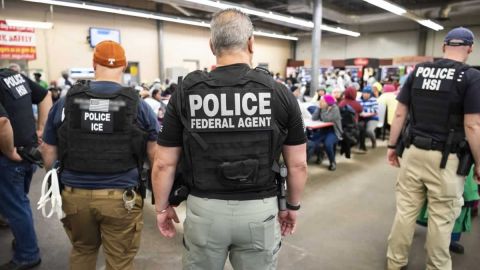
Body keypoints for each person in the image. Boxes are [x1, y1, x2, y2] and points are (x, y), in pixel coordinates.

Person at [152, 9, 307, 270]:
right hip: (261, 211)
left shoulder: (185, 94)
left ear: (212, 46)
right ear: (251, 43)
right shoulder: (280, 93)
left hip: (204, 211)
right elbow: (298, 165)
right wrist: (291, 206)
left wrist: (161, 207)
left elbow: (163, 164)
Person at [40, 40, 159, 270]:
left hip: (74, 196)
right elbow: (156, 153)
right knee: (120, 261)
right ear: (123, 66)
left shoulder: (66, 102)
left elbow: (47, 148)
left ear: (94, 64)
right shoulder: (138, 105)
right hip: (121, 198)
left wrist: (55, 180)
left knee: (83, 250)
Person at [386, 27, 480, 270]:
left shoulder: (419, 71)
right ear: (470, 48)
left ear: (443, 46)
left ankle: (395, 262)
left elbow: (399, 113)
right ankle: (437, 267)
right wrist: (479, 163)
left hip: (413, 152)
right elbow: (472, 125)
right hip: (447, 161)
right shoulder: (471, 77)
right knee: (442, 217)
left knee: (405, 211)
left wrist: (391, 146)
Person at [0, 62, 52, 269]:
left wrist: (9, 151)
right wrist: (41, 128)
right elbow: (45, 95)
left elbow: (2, 123)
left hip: (10, 158)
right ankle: (23, 239)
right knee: (18, 202)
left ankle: (27, 254)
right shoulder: (13, 76)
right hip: (29, 152)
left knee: (16, 206)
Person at [308, 95, 343, 171]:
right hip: (323, 130)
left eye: (323, 101)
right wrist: (319, 108)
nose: (321, 102)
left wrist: (322, 109)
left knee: (328, 144)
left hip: (334, 131)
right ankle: (320, 154)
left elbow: (326, 119)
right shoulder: (322, 107)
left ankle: (332, 162)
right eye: (320, 101)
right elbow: (314, 118)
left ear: (328, 102)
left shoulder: (335, 108)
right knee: (313, 141)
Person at [357, 85, 379, 150]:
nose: (366, 94)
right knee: (359, 128)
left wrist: (366, 113)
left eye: (368, 93)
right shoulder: (359, 100)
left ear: (370, 94)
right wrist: (364, 112)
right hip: (362, 118)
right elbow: (358, 109)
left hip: (373, 118)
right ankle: (361, 144)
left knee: (369, 130)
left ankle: (374, 141)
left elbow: (375, 111)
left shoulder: (374, 100)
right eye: (364, 92)